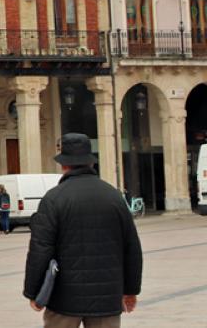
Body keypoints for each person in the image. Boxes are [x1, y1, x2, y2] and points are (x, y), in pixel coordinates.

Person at [24, 132, 143, 327]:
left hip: (64, 298)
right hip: (107, 297)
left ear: (64, 164)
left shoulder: (54, 199)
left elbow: (40, 249)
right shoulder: (113, 196)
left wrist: (34, 291)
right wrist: (131, 290)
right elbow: (131, 247)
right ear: (90, 163)